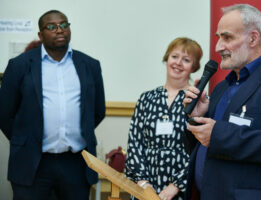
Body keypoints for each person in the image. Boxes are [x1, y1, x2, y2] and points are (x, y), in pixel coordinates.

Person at [183, 4, 261, 200]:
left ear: (253, 38)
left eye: (227, 37)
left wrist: (218, 134)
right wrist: (199, 118)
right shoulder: (221, 88)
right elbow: (203, 147)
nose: (218, 47)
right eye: (218, 38)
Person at [0, 10, 105, 200]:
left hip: (76, 163)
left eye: (64, 25)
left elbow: (97, 111)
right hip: (32, 162)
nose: (59, 30)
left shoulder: (90, 65)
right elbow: (4, 113)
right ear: (40, 35)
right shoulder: (19, 65)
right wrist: (24, 139)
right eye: (52, 26)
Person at [125, 37, 203, 200]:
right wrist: (144, 185)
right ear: (167, 58)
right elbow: (135, 143)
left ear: (194, 67)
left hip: (182, 188)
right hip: (145, 187)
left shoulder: (198, 101)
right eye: (174, 56)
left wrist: (176, 186)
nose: (178, 63)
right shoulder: (146, 98)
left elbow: (200, 150)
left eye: (186, 60)